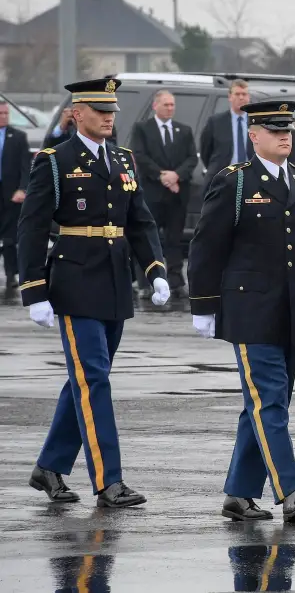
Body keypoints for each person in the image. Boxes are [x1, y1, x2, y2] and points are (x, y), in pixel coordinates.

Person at [18, 78, 170, 508]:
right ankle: (109, 481)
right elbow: (31, 226)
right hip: (74, 282)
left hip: (115, 281)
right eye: (99, 110)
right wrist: (35, 290)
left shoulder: (123, 159)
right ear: (77, 112)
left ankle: (49, 467)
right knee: (95, 379)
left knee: (86, 379)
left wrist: (156, 269)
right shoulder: (55, 159)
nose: (108, 117)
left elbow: (140, 220)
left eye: (112, 111)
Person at [187, 99, 295, 524]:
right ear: (254, 135)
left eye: (289, 129)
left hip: (292, 309)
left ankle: (239, 493)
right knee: (269, 401)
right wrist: (204, 305)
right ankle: (290, 491)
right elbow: (207, 245)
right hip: (249, 307)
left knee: (265, 403)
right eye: (274, 129)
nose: (285, 135)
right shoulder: (236, 182)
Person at [129, 90, 199, 295]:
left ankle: (176, 280)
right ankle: (146, 281)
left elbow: (191, 159)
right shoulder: (142, 128)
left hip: (177, 194)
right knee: (148, 239)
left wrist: (176, 176)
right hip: (152, 193)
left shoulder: (183, 130)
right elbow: (140, 156)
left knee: (174, 239)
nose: (170, 108)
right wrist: (162, 176)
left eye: (172, 105)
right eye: (166, 104)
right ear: (155, 106)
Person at [0, 100, 31, 296]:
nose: (3, 117)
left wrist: (22, 189)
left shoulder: (18, 137)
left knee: (10, 237)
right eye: (0, 113)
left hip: (10, 193)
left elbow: (25, 167)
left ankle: (12, 274)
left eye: (5, 114)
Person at [200, 79, 252, 178]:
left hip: (250, 178)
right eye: (237, 94)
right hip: (223, 178)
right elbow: (205, 151)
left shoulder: (257, 122)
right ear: (230, 97)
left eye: (244, 94)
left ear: (248, 97)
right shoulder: (215, 122)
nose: (241, 97)